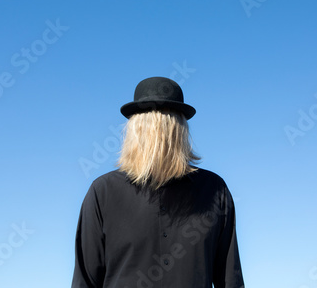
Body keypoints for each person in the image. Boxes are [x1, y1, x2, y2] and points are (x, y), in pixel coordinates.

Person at [72, 77, 244, 288]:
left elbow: (230, 279)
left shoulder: (214, 190)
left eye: (167, 123)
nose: (159, 134)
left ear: (179, 129)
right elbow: (85, 281)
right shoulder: (103, 193)